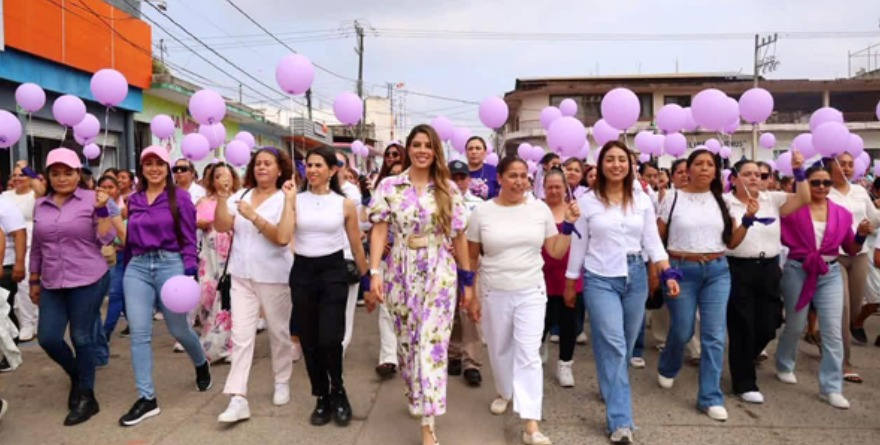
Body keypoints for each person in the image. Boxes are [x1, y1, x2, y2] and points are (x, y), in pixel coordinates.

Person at [366, 124, 473, 445]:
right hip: (400, 268)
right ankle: (416, 395)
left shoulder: (448, 189)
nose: (422, 150)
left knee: (431, 344)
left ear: (435, 149)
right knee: (408, 343)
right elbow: (380, 230)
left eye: (428, 144)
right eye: (417, 144)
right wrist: (373, 272)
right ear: (408, 149)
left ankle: (429, 425)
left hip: (439, 268)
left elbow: (460, 236)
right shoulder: (390, 185)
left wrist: (468, 282)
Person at [566, 142, 679, 443]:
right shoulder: (587, 202)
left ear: (630, 165)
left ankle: (609, 385)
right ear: (600, 166)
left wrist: (666, 272)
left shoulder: (641, 200)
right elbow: (579, 245)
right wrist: (570, 282)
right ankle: (621, 421)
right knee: (614, 343)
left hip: (636, 276)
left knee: (626, 344)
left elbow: (653, 241)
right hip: (600, 277)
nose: (616, 165)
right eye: (610, 160)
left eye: (622, 160)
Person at [467, 155, 580, 445]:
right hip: (494, 290)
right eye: (513, 176)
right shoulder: (483, 213)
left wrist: (567, 225)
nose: (519, 181)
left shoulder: (539, 209)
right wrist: (471, 294)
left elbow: (554, 250)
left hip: (531, 290)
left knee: (528, 354)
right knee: (500, 348)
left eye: (524, 176)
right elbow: (471, 256)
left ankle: (531, 423)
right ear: (500, 179)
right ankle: (505, 391)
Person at [657, 149, 753, 421]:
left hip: (717, 271)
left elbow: (732, 242)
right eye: (698, 164)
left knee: (714, 335)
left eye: (709, 164)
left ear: (716, 170)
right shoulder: (672, 198)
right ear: (687, 169)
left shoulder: (722, 201)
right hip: (681, 270)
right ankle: (668, 363)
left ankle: (709, 397)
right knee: (683, 329)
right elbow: (657, 238)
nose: (703, 169)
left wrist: (747, 221)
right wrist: (660, 270)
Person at [119, 146, 212, 427]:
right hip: (137, 267)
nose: (154, 169)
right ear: (142, 168)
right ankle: (147, 398)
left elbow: (187, 237)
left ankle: (200, 362)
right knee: (139, 333)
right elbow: (128, 240)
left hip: (169, 265)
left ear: (167, 169)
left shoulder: (180, 198)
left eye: (160, 164)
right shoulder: (133, 200)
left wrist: (188, 270)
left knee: (178, 328)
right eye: (148, 164)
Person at [30, 148, 115, 425]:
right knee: (48, 338)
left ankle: (87, 397)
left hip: (88, 278)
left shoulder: (94, 199)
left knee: (82, 337)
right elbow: (37, 246)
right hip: (52, 280)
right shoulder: (40, 204)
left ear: (79, 174)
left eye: (68, 172)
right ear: (48, 176)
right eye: (56, 173)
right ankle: (78, 376)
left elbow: (106, 238)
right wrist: (33, 278)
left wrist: (103, 208)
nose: (62, 178)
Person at [213, 147, 296, 423]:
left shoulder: (286, 198)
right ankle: (238, 397)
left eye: (268, 164)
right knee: (241, 336)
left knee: (279, 332)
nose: (261, 168)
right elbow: (223, 225)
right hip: (241, 275)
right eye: (258, 163)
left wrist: (253, 216)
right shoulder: (242, 195)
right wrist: (223, 199)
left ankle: (282, 379)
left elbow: (282, 238)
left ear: (279, 169)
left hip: (274, 276)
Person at [776, 163, 869, 409]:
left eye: (826, 183)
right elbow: (775, 234)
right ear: (806, 184)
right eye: (815, 182)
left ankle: (831, 387)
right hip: (799, 269)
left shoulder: (842, 213)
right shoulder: (792, 209)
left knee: (833, 331)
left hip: (830, 272)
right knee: (795, 325)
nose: (821, 187)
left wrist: (860, 235)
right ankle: (784, 362)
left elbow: (850, 249)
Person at [290, 147, 368, 427]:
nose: (311, 170)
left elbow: (357, 247)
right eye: (308, 165)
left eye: (318, 165)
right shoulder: (295, 200)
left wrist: (368, 281)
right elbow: (284, 235)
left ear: (332, 170)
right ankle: (321, 396)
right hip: (303, 272)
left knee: (330, 338)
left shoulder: (344, 204)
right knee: (309, 340)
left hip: (333, 270)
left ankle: (339, 390)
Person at [724, 153, 809, 404]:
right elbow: (729, 239)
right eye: (748, 174)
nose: (755, 179)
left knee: (769, 323)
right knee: (742, 325)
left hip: (769, 268)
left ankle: (743, 359)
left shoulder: (772, 199)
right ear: (735, 178)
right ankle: (744, 381)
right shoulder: (725, 203)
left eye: (760, 175)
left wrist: (799, 170)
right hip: (738, 267)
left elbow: (803, 197)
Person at [827, 153, 880, 386]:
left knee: (855, 307)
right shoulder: (823, 190)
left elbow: (874, 218)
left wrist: (869, 225)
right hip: (834, 256)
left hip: (859, 256)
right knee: (844, 308)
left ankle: (831, 338)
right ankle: (844, 362)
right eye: (841, 164)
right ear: (831, 166)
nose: (847, 168)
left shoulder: (859, 192)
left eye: (850, 164)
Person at [540, 169, 583, 388]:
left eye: (558, 186)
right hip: (542, 276)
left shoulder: (575, 211)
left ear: (566, 188)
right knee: (542, 321)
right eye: (550, 187)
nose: (554, 191)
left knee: (570, 323)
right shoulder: (538, 210)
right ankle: (540, 347)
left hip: (570, 277)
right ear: (544, 188)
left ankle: (565, 363)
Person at [196, 163, 241, 363]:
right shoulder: (203, 201)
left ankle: (228, 346)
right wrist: (200, 223)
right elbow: (192, 222)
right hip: (210, 255)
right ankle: (209, 341)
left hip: (232, 254)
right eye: (218, 176)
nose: (223, 179)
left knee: (228, 300)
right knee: (206, 296)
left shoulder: (241, 199)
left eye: (227, 175)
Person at [447, 160, 485, 386]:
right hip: (444, 261)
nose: (458, 182)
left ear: (468, 180)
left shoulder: (478, 205)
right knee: (450, 310)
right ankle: (453, 354)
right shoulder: (439, 200)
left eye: (462, 177)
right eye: (454, 178)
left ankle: (471, 361)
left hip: (470, 261)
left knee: (469, 309)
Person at [2, 162, 37, 343]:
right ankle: (20, 323)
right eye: (14, 175)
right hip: (8, 246)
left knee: (26, 286)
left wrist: (29, 170)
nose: (17, 178)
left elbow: (42, 186)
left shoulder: (34, 195)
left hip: (31, 243)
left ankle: (29, 324)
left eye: (22, 175)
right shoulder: (6, 196)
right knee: (13, 291)